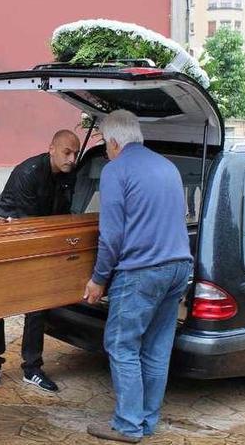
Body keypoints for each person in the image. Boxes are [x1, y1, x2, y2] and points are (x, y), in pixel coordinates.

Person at [83, 110, 192, 443]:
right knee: (157, 349)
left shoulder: (116, 170)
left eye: (104, 144)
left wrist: (99, 278)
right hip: (178, 268)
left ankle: (128, 425)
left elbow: (112, 234)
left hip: (142, 271)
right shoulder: (167, 166)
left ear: (115, 141)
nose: (105, 151)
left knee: (121, 345)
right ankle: (147, 421)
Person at [0, 129, 80, 393]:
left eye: (75, 153)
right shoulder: (28, 172)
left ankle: (32, 368)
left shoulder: (70, 175)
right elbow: (29, 222)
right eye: (66, 152)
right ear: (51, 148)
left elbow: (66, 214)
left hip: (39, 240)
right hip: (7, 240)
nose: (71, 158)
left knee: (37, 305)